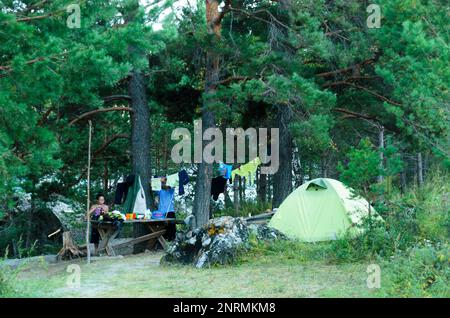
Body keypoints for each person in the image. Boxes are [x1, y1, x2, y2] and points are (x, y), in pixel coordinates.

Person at [154, 177, 176, 241]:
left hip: (170, 210)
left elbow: (171, 185)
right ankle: (163, 240)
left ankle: (172, 239)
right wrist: (158, 181)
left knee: (171, 226)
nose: (163, 184)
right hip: (161, 211)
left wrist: (164, 180)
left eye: (164, 182)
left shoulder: (171, 190)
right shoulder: (160, 191)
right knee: (162, 226)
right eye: (162, 182)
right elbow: (153, 186)